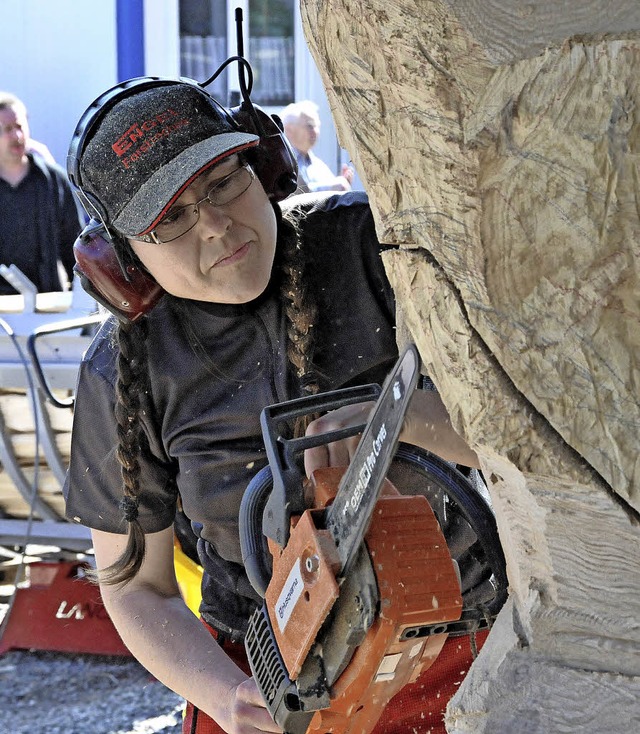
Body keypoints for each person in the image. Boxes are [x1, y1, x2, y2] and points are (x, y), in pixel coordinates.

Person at [63, 76, 499, 734]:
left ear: (263, 164)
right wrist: (226, 694)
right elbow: (136, 587)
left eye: (221, 181)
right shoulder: (122, 372)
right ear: (121, 260)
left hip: (456, 646)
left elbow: (523, 439)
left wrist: (401, 418)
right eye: (171, 217)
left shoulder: (373, 250)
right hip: (266, 680)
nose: (214, 223)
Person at [0, 92, 83, 295]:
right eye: (7, 129)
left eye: (19, 126)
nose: (17, 136)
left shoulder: (53, 181)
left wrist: (81, 298)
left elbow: (75, 245)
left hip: (47, 306)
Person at [281, 100, 354, 193]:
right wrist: (331, 187)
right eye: (310, 126)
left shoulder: (319, 165)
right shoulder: (282, 161)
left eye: (317, 126)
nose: (315, 131)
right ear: (289, 130)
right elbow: (294, 194)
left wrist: (342, 184)